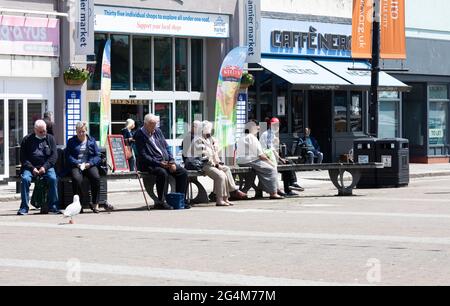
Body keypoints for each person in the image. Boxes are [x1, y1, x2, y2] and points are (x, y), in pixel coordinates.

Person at [135, 114, 190, 210]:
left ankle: (181, 200)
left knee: (183, 172)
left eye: (155, 125)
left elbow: (166, 147)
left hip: (165, 161)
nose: (154, 128)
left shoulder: (157, 131)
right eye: (152, 125)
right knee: (162, 173)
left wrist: (172, 161)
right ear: (145, 124)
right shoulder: (139, 135)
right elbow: (143, 156)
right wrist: (159, 163)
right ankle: (161, 201)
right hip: (150, 164)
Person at [193, 121, 247, 206]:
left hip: (212, 164)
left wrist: (219, 163)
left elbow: (214, 154)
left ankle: (226, 197)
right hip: (203, 165)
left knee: (226, 170)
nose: (210, 131)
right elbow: (203, 157)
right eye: (208, 128)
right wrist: (217, 165)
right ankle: (219, 199)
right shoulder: (198, 140)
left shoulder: (209, 140)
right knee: (221, 176)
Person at [18, 120, 60, 215]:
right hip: (30, 168)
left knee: (53, 179)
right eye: (41, 132)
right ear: (35, 130)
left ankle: (53, 206)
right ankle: (24, 207)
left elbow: (54, 156)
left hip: (46, 167)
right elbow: (23, 158)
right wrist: (32, 168)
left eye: (44, 130)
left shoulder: (50, 138)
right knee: (25, 179)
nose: (43, 133)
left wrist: (45, 167)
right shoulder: (27, 139)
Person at [236, 120, 284, 200]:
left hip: (242, 161)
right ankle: (273, 192)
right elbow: (260, 155)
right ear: (252, 127)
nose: (259, 128)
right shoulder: (251, 137)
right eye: (257, 126)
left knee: (253, 174)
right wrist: (270, 162)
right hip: (250, 161)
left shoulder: (243, 136)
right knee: (271, 169)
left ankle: (246, 191)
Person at [65, 122, 104, 214]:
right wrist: (77, 163)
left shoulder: (91, 140)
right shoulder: (71, 141)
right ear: (76, 132)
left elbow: (97, 156)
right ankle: (79, 204)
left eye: (83, 131)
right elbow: (68, 156)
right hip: (76, 165)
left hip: (88, 164)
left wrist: (90, 164)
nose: (81, 134)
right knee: (76, 179)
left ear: (86, 131)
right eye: (79, 132)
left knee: (96, 177)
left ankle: (95, 203)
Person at [260, 117, 304, 196]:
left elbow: (273, 150)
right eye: (275, 125)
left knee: (288, 162)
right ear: (270, 125)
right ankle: (289, 187)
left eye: (277, 125)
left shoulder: (272, 134)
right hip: (267, 158)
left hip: (271, 157)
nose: (277, 127)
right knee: (286, 166)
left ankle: (292, 184)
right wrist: (279, 159)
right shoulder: (268, 134)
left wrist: (280, 158)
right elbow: (270, 150)